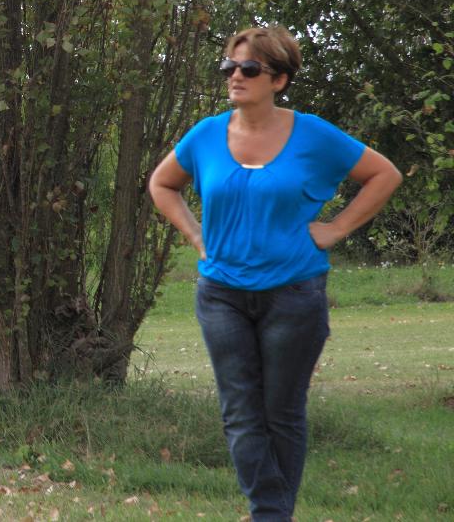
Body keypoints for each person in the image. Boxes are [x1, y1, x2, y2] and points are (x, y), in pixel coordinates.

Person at [148, 26, 401, 522]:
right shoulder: (205, 135)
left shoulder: (313, 135)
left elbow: (383, 174)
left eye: (249, 69)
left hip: (295, 294)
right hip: (221, 294)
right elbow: (161, 183)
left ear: (279, 79)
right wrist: (196, 237)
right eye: (229, 67)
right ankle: (271, 513)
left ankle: (270, 515)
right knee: (241, 414)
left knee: (281, 412)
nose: (235, 77)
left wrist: (337, 228)